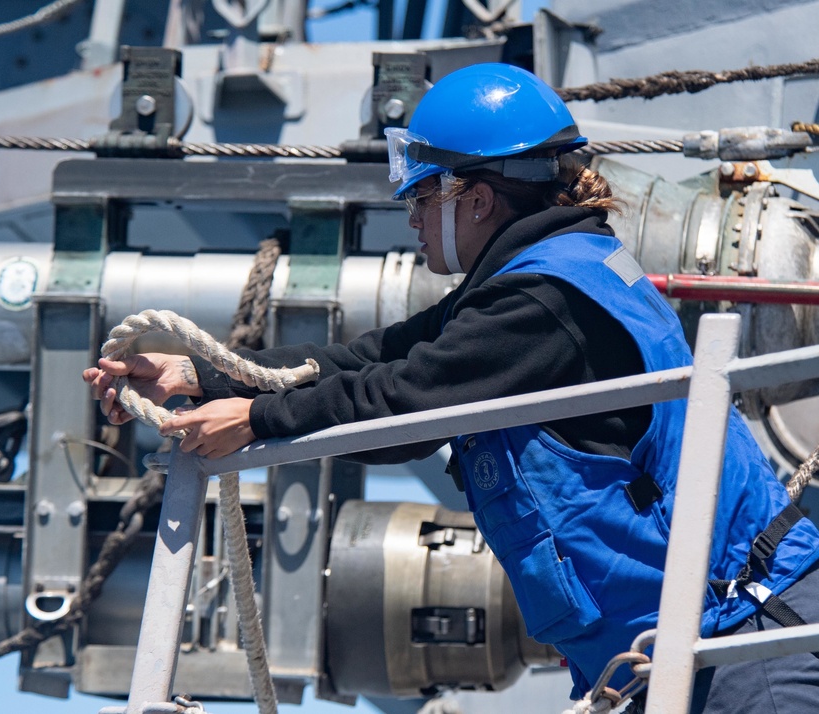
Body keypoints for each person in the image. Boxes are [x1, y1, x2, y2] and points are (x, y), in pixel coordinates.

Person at [84, 63, 819, 712]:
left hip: (742, 643)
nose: (409, 216)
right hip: (701, 646)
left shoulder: (540, 306)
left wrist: (255, 420)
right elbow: (380, 357)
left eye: (421, 195)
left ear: (474, 197)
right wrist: (198, 372)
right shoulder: (549, 274)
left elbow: (404, 403)